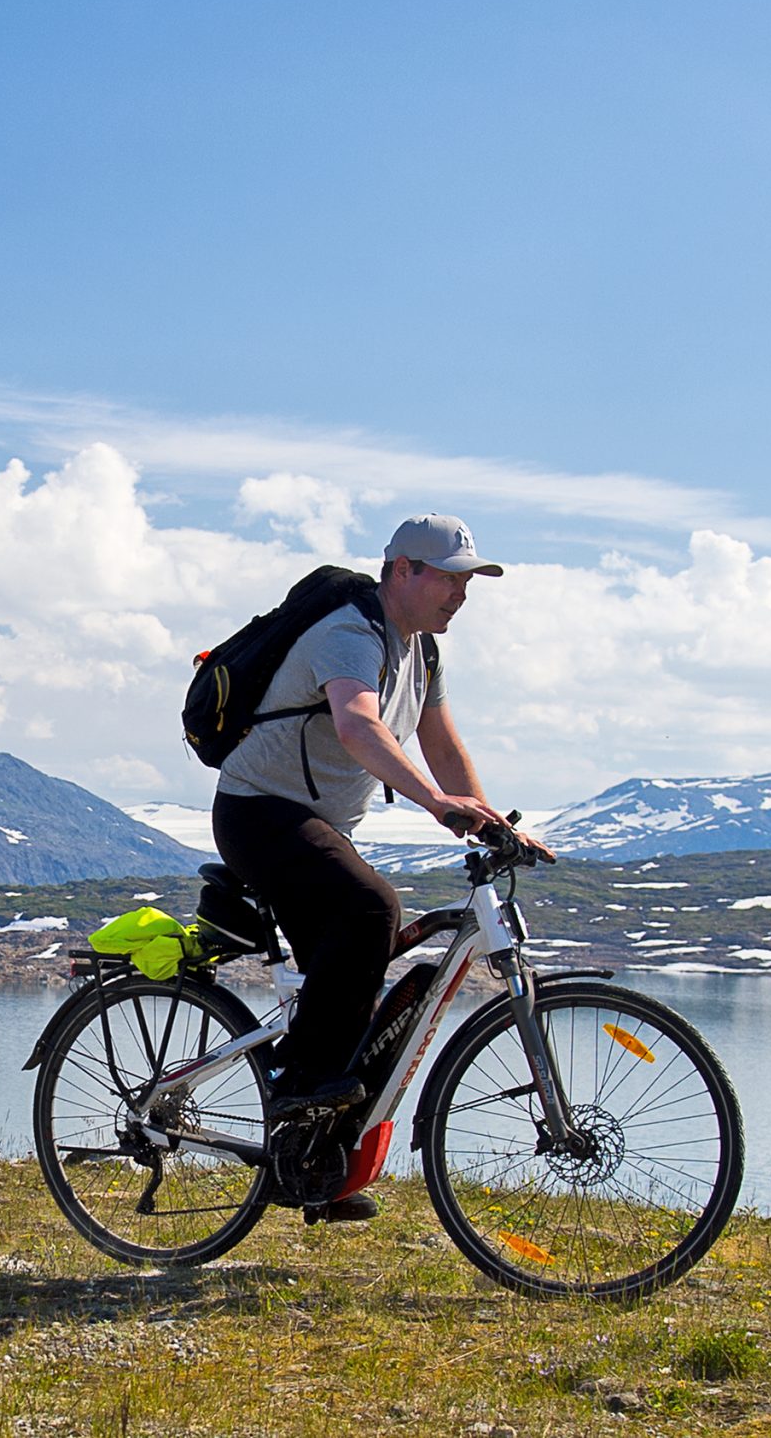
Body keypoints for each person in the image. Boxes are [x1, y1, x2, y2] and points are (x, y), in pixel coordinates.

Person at [210, 514, 544, 1217]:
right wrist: (435, 803)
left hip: (314, 822)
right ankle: (302, 1090)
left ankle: (312, 1164)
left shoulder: (421, 653)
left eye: (468, 582)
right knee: (372, 909)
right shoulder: (349, 632)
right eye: (450, 579)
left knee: (360, 964)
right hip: (259, 812)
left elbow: (444, 744)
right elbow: (358, 723)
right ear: (403, 571)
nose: (461, 594)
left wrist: (489, 821)